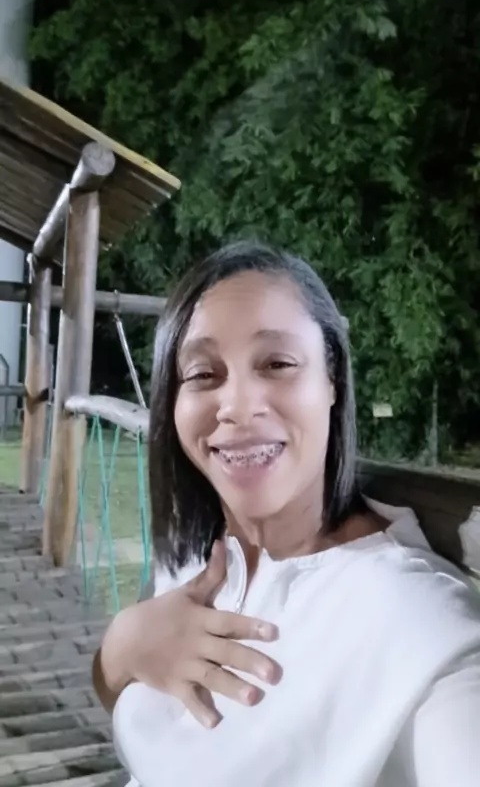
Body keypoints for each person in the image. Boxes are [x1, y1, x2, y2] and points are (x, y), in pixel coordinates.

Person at [94, 241, 480, 787]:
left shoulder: (417, 622)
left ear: (332, 380)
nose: (237, 406)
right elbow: (123, 698)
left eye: (277, 364)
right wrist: (122, 646)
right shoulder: (192, 554)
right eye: (203, 374)